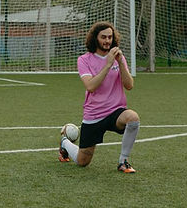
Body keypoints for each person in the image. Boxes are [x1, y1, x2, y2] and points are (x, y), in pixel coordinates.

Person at [59, 20, 141, 173]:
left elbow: (129, 85)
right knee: (82, 161)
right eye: (103, 37)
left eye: (110, 37)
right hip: (94, 114)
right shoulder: (84, 60)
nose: (107, 41)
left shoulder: (119, 58)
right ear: (95, 38)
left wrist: (120, 63)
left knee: (133, 117)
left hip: (116, 111)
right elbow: (91, 86)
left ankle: (123, 161)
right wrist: (108, 64)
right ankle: (65, 142)